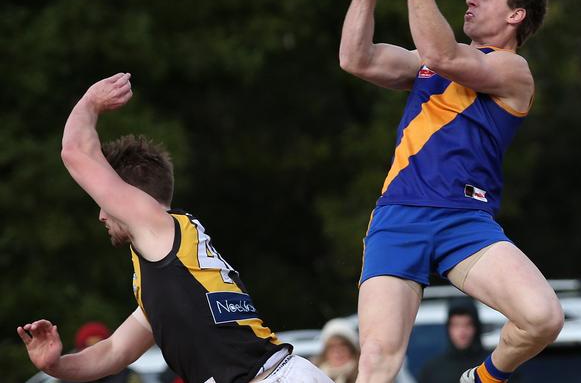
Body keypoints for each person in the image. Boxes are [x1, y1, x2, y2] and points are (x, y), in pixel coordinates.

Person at [339, 0, 564, 383]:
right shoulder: (430, 63)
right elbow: (355, 58)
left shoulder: (512, 71)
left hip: (464, 220)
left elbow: (444, 54)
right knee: (376, 362)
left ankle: (481, 378)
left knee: (543, 318)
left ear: (515, 15)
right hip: (398, 215)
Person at [17, 73, 333, 383]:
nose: (101, 215)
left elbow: (75, 152)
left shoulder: (157, 225)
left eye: (106, 202)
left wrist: (89, 102)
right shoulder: (170, 266)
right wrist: (54, 365)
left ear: (131, 198)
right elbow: (113, 352)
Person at [417, 300, 488, 383]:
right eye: (456, 325)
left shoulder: (492, 365)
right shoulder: (431, 370)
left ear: (476, 327)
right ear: (448, 328)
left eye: (467, 325)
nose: (462, 332)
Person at [59, 322, 142, 383]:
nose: (93, 357)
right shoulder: (67, 377)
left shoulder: (128, 376)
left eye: (98, 350)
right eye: (88, 350)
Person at [314, 318, 360, 383]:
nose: (337, 351)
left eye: (342, 345)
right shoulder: (314, 376)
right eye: (332, 347)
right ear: (325, 352)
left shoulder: (363, 375)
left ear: (352, 349)